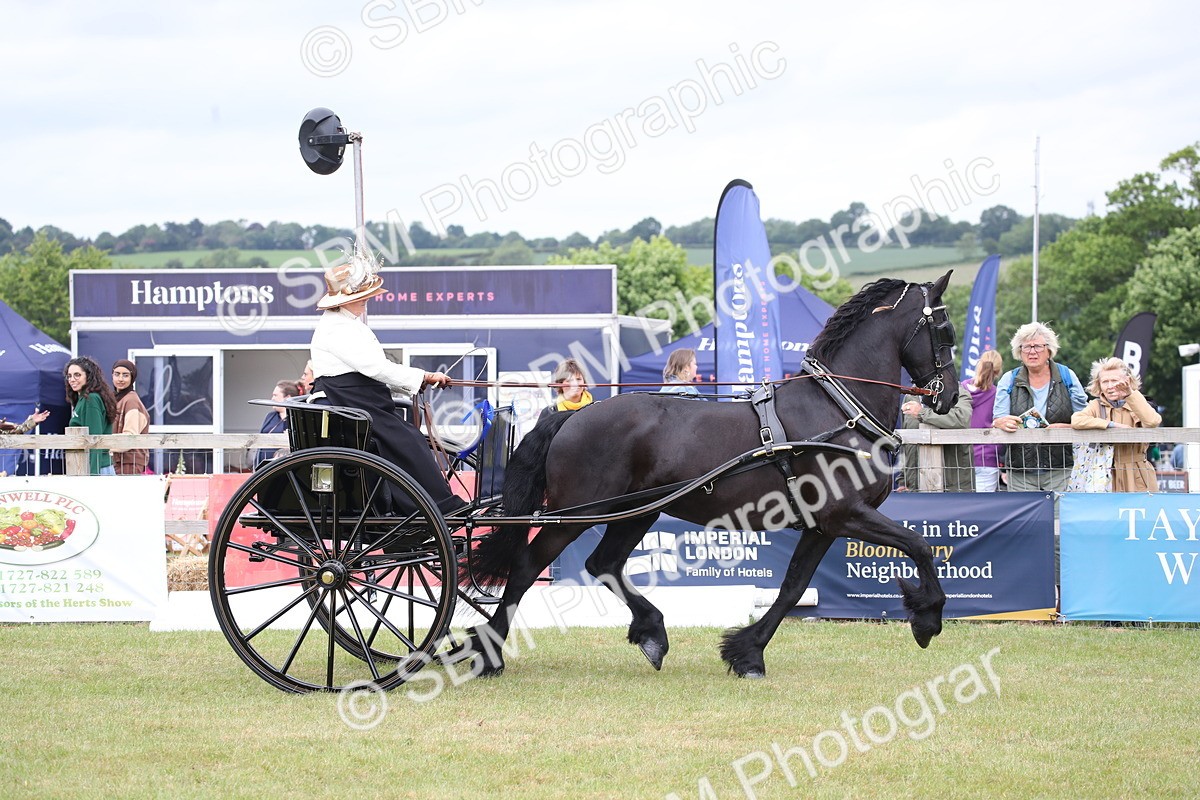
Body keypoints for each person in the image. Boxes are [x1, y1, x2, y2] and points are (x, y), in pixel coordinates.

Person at [310, 260, 467, 515]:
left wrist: (417, 381)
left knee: (409, 437)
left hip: (361, 398)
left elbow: (375, 370)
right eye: (362, 296)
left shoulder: (346, 323)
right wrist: (423, 376)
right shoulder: (336, 329)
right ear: (342, 299)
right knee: (408, 440)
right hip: (350, 401)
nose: (366, 301)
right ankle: (435, 507)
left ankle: (429, 505)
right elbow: (376, 367)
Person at [991, 322, 1087, 492]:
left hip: (1061, 468)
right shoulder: (1008, 379)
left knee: (1060, 517)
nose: (1032, 352)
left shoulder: (1067, 376)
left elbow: (1085, 418)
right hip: (1020, 470)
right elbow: (999, 418)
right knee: (1024, 519)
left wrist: (1067, 428)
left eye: (1038, 346)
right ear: (1019, 352)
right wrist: (1001, 423)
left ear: (1049, 350)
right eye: (1026, 347)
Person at [1070, 357, 1161, 492]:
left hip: (1137, 473)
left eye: (1114, 381)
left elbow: (1153, 421)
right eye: (1105, 382)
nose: (1110, 386)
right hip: (1103, 473)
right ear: (1098, 384)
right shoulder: (1096, 405)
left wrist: (1131, 394)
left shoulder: (1139, 403)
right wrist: (1111, 425)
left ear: (1127, 381)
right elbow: (1076, 420)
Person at [898, 389, 975, 492]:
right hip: (914, 487)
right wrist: (903, 480)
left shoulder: (957, 391)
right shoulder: (911, 396)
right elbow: (906, 443)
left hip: (954, 488)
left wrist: (922, 413)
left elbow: (961, 418)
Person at [64, 356, 117, 475]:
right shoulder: (82, 399)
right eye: (69, 376)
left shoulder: (91, 399)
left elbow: (94, 440)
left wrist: (93, 475)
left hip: (97, 468)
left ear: (89, 376)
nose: (72, 379)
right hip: (88, 465)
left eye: (77, 375)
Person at [963, 349, 1004, 491]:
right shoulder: (999, 394)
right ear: (998, 372)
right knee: (984, 508)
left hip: (961, 457)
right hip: (988, 459)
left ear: (978, 365)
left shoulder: (960, 389)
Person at [110, 359, 150, 475]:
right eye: (117, 374)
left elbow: (130, 436)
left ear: (132, 378)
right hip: (119, 460)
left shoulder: (131, 400)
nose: (120, 379)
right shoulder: (116, 398)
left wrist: (104, 446)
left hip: (129, 462)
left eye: (125, 375)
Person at [254, 379, 300, 468]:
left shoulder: (296, 418)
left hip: (283, 467)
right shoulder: (270, 416)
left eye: (275, 395)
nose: (272, 399)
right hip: (262, 467)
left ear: (287, 397)